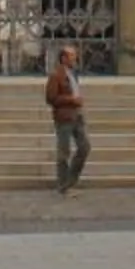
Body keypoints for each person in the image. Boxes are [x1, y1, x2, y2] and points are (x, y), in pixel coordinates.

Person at [45, 43, 90, 195]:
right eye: (71, 56)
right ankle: (64, 185)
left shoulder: (73, 73)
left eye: (75, 55)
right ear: (63, 58)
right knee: (64, 152)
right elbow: (51, 98)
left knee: (84, 147)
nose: (75, 58)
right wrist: (71, 99)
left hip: (77, 115)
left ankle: (71, 180)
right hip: (64, 117)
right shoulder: (56, 75)